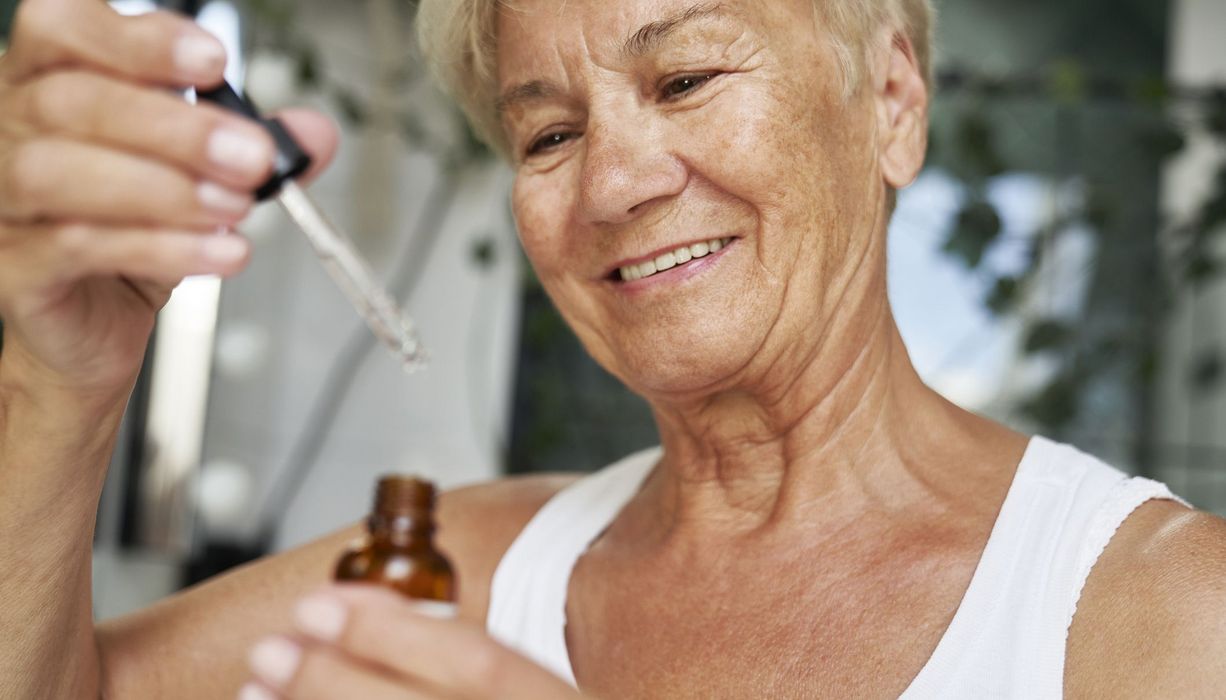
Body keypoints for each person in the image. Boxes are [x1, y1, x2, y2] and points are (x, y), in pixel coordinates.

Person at [0, 0, 1223, 696]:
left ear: (889, 102)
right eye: (546, 136)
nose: (617, 183)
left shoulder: (1159, 615)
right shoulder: (457, 569)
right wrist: (60, 383)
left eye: (685, 77)